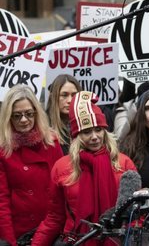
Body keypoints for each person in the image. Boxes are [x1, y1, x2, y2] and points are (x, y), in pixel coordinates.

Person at [32, 91, 136, 246]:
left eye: (98, 129)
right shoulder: (62, 167)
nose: (94, 136)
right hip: (77, 240)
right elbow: (55, 217)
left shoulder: (123, 163)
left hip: (115, 241)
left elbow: (133, 216)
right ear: (77, 136)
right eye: (86, 131)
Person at [0, 84, 63, 245]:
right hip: (22, 231)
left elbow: (64, 187)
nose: (24, 120)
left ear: (36, 113)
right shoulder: (4, 150)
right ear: (8, 117)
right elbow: (2, 200)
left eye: (29, 113)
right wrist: (9, 241)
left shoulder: (51, 142)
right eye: (16, 115)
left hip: (53, 228)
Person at [46, 74, 82, 155]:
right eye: (64, 95)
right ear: (53, 97)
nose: (70, 100)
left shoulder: (87, 123)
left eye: (74, 95)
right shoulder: (43, 126)